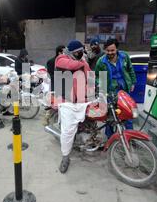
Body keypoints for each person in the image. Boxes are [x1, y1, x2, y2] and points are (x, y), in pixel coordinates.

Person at [55, 40, 92, 174]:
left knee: (95, 117)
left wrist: (95, 89)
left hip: (82, 100)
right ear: (70, 52)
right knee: (67, 131)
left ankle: (91, 139)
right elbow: (71, 65)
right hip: (67, 101)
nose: (80, 53)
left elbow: (90, 77)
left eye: (81, 51)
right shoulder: (61, 59)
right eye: (77, 52)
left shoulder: (83, 62)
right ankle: (65, 157)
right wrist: (83, 62)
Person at [95, 38, 137, 136]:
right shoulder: (101, 62)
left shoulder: (124, 56)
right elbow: (97, 76)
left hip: (124, 89)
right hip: (110, 91)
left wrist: (133, 82)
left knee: (128, 112)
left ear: (116, 49)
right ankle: (110, 138)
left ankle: (130, 137)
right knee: (111, 116)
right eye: (108, 50)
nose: (110, 53)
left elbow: (130, 70)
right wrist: (101, 86)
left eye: (112, 50)